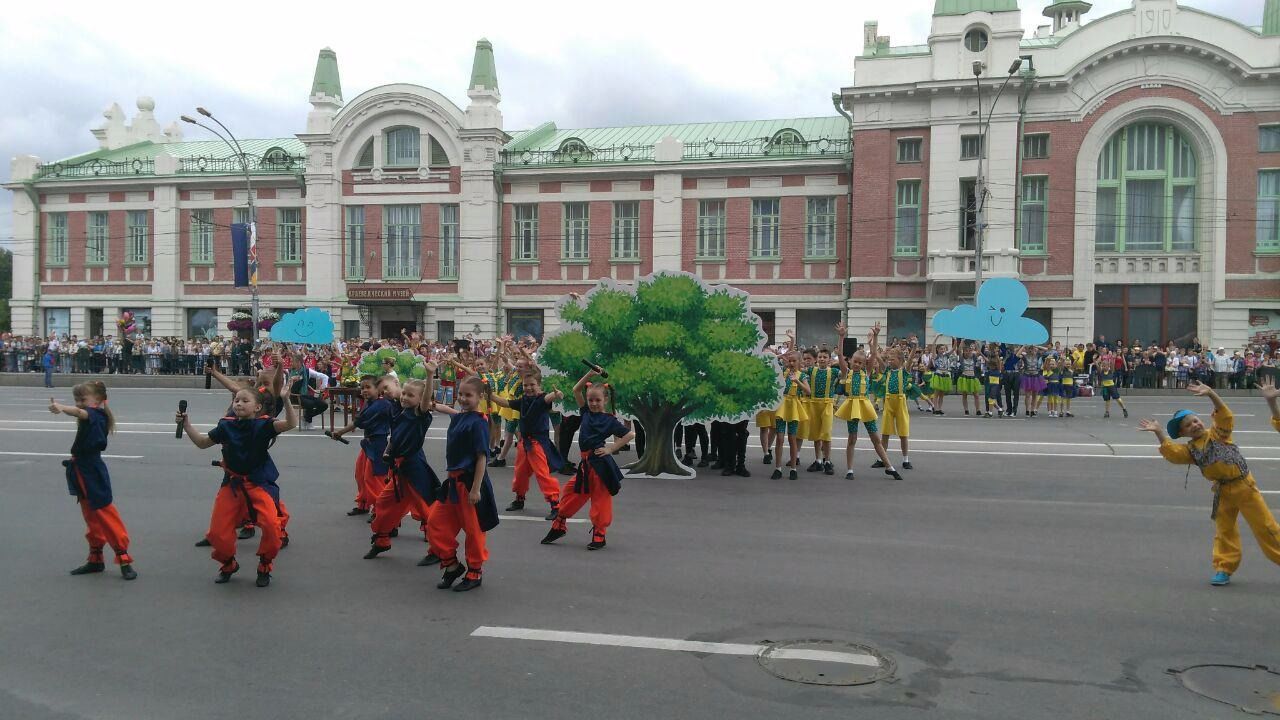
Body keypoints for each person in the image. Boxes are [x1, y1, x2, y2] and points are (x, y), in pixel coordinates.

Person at [1138, 382, 1280, 586]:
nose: (1194, 425)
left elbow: (1226, 416)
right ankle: (1224, 567)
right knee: (1224, 532)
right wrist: (1160, 434)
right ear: (1184, 433)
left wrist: (1211, 394)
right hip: (1222, 492)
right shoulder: (1190, 450)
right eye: (1188, 425)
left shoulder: (1218, 435)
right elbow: (1174, 455)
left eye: (1195, 421)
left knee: (1266, 527)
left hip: (1244, 487)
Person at [178, 386, 297, 587]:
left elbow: (291, 423)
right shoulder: (226, 426)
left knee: (271, 525)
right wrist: (187, 425)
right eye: (236, 401)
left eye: (244, 401)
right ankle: (228, 564)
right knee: (217, 533)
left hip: (258, 483)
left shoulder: (264, 425)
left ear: (258, 407)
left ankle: (265, 565)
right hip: (232, 484)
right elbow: (202, 443)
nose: (239, 403)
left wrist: (285, 400)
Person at [50, 382, 137, 581]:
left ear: (97, 400)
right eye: (77, 400)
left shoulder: (96, 415)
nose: (79, 404)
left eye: (83, 399)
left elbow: (81, 414)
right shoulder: (94, 414)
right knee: (91, 515)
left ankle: (123, 558)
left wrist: (63, 408)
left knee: (105, 514)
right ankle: (96, 558)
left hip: (91, 470)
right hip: (82, 469)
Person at [541, 368, 635, 549]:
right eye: (591, 399)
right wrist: (590, 375)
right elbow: (576, 389)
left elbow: (630, 434)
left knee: (600, 499)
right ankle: (560, 524)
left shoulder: (610, 420)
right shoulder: (585, 412)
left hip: (600, 465)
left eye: (597, 400)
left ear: (605, 400)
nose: (593, 403)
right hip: (586, 464)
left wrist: (611, 448)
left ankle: (600, 534)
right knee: (572, 492)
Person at [428, 376, 500, 591]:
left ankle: (475, 571)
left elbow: (481, 458)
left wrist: (476, 489)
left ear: (480, 397)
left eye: (468, 395)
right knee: (435, 524)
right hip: (452, 484)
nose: (463, 398)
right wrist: (429, 389)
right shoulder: (460, 416)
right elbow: (443, 408)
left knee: (474, 531)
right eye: (460, 394)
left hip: (469, 484)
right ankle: (451, 565)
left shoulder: (479, 422)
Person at [363, 376, 442, 566]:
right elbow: (395, 436)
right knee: (383, 504)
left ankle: (439, 550)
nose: (405, 397)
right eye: (404, 394)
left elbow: (424, 402)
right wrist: (388, 451)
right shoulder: (400, 411)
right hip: (400, 469)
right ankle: (382, 540)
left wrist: (430, 376)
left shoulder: (420, 415)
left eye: (410, 395)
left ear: (422, 399)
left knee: (429, 511)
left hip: (414, 469)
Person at [491, 370, 565, 520]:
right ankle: (519, 498)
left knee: (542, 474)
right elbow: (504, 402)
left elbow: (552, 396)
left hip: (537, 444)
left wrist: (557, 394)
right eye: (526, 385)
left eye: (532, 385)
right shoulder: (522, 401)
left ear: (539, 386)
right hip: (524, 444)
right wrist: (489, 394)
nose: (529, 388)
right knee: (520, 474)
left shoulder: (542, 399)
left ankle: (555, 504)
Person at [834, 323, 901, 480]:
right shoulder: (847, 372)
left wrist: (876, 337)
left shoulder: (867, 373)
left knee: (875, 438)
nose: (856, 364)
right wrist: (841, 336)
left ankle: (889, 466)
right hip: (852, 407)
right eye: (854, 361)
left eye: (859, 362)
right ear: (850, 361)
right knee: (852, 438)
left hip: (864, 406)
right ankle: (850, 469)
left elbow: (873, 355)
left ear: (864, 365)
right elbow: (840, 355)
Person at [331, 375, 394, 517]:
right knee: (360, 475)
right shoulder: (370, 402)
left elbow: (359, 421)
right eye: (362, 387)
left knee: (374, 478)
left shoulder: (381, 404)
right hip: (368, 443)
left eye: (368, 387)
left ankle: (381, 510)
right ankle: (364, 504)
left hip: (378, 445)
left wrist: (340, 432)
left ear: (378, 389)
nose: (364, 390)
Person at [771, 335, 811, 481]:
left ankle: (793, 468)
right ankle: (778, 468)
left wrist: (798, 382)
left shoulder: (802, 375)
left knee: (792, 439)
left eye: (795, 361)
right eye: (790, 361)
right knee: (780, 438)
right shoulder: (783, 373)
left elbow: (808, 391)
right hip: (782, 406)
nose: (792, 363)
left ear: (799, 362)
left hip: (794, 406)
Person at [803, 346, 840, 475]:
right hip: (814, 404)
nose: (822, 359)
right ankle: (818, 460)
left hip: (827, 404)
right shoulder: (811, 370)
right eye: (820, 357)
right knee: (816, 434)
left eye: (825, 357)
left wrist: (841, 356)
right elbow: (798, 369)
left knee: (826, 434)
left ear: (829, 359)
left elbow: (845, 372)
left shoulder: (834, 371)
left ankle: (827, 461)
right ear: (816, 359)